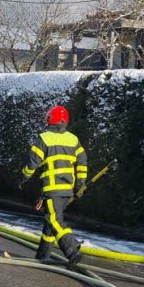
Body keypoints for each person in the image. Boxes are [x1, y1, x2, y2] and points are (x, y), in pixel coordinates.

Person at [21, 105, 88, 267]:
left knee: (55, 220)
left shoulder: (44, 139)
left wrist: (23, 177)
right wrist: (80, 185)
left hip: (52, 190)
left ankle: (73, 250)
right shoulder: (73, 139)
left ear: (50, 119)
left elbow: (32, 164)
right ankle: (43, 255)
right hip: (67, 190)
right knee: (50, 221)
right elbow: (82, 163)